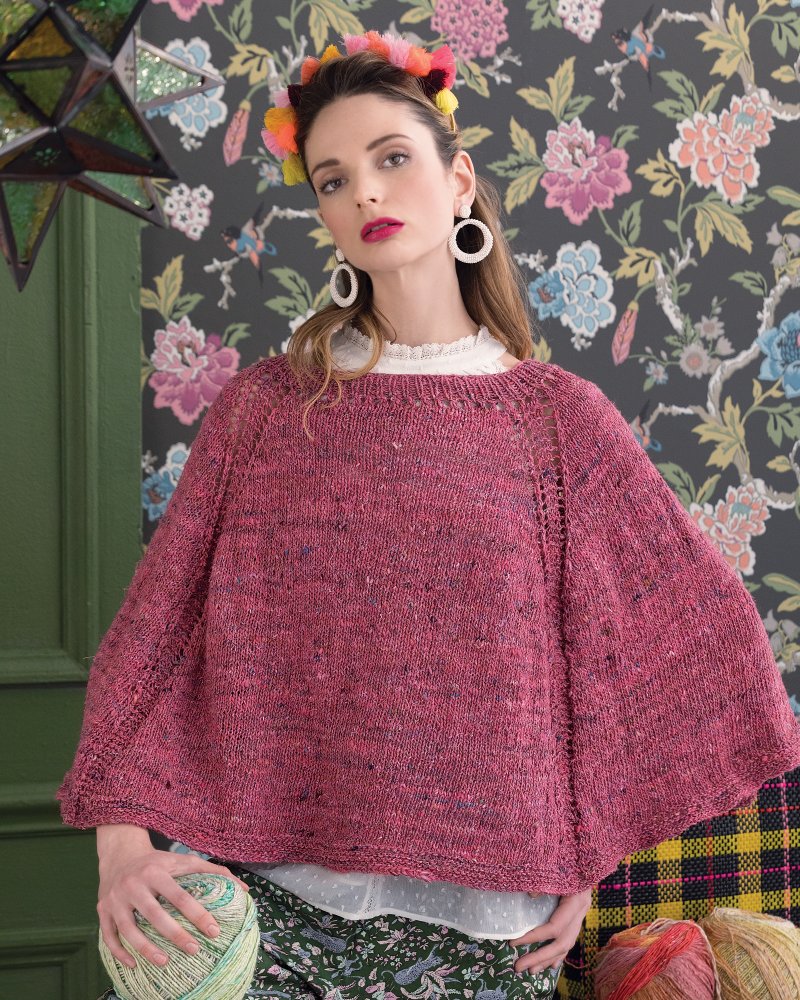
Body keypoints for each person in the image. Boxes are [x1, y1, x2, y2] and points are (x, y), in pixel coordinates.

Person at [58, 30, 800, 1000]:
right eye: (333, 179)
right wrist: (120, 848)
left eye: (391, 159)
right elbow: (153, 633)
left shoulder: (554, 423)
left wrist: (583, 850)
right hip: (269, 914)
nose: (364, 193)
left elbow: (669, 640)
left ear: (458, 183)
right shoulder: (266, 411)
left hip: (492, 930)